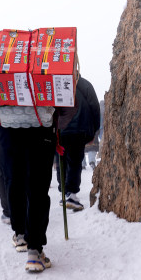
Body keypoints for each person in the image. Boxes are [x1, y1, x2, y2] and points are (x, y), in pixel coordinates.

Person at [0, 106, 57, 272]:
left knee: (13, 181)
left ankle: (20, 235)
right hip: (40, 125)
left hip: (4, 126)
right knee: (38, 187)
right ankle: (35, 252)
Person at [55, 76, 100, 211]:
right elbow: (94, 106)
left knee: (61, 160)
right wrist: (94, 130)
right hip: (79, 129)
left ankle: (65, 191)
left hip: (60, 129)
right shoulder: (84, 83)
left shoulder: (54, 81)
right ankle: (71, 194)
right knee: (75, 161)